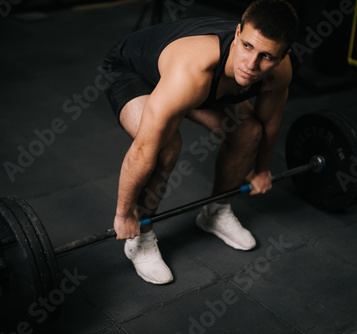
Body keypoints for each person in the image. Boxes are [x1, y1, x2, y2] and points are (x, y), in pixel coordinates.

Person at [102, 0, 299, 284]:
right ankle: (141, 238)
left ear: (284, 56)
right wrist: (124, 214)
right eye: (247, 46)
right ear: (238, 32)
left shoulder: (279, 73)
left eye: (267, 56)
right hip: (134, 71)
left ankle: (216, 212)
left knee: (248, 132)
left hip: (200, 84)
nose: (252, 64)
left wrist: (262, 170)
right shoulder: (192, 70)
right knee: (166, 147)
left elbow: (269, 122)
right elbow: (144, 148)